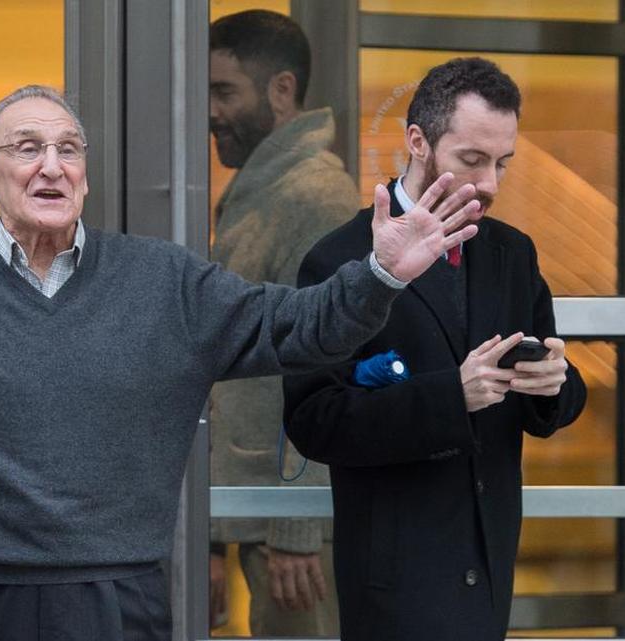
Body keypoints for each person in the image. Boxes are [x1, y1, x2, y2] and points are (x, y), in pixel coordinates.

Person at [0, 84, 483, 640]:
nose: (52, 166)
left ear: (87, 172)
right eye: (27, 148)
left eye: (69, 149)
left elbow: (301, 327)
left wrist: (379, 272)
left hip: (115, 600)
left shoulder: (165, 282)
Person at [283, 57, 587, 641]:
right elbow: (315, 421)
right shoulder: (339, 257)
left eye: (502, 163)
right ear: (417, 142)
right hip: (394, 579)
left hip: (490, 560)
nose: (491, 184)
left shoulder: (512, 254)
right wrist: (453, 396)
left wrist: (555, 384)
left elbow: (552, 398)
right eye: (472, 161)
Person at [206, 10, 354, 635]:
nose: (209, 112)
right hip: (253, 510)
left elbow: (328, 361)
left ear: (282, 90)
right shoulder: (262, 188)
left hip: (290, 533)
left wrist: (296, 524)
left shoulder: (315, 196)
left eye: (224, 91)